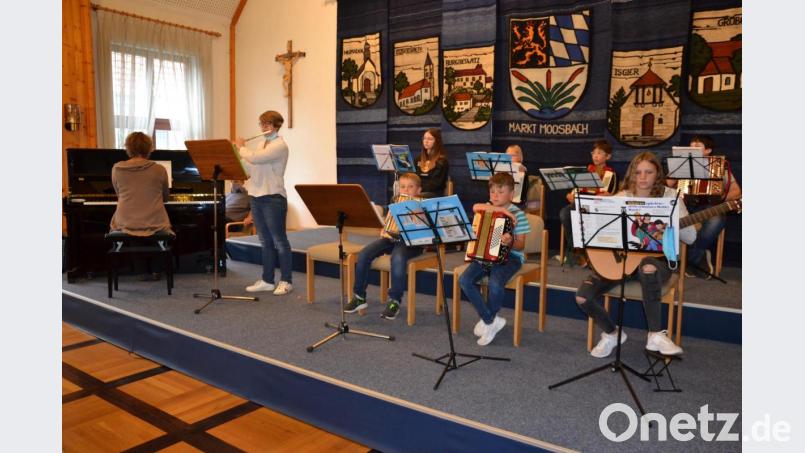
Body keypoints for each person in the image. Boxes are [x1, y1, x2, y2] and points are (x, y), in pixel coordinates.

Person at [575, 151, 696, 358]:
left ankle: (655, 335)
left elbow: (691, 237)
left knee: (647, 267)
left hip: (657, 261)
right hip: (622, 261)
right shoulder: (622, 197)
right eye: (638, 172)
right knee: (582, 298)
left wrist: (674, 217)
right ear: (631, 174)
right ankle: (612, 334)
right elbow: (599, 229)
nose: (642, 177)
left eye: (648, 172)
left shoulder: (671, 196)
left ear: (657, 174)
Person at [459, 172, 531, 346]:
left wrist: (510, 241)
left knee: (495, 282)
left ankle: (488, 320)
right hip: (485, 254)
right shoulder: (487, 208)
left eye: (501, 192)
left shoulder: (518, 214)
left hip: (511, 256)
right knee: (464, 280)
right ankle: (491, 320)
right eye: (492, 192)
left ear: (511, 194)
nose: (495, 196)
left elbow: (521, 245)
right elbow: (476, 207)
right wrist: (500, 210)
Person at [343, 173, 425, 320]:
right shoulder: (395, 200)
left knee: (398, 258)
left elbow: (423, 231)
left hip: (411, 243)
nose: (406, 190)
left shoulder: (421, 205)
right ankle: (359, 296)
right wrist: (384, 226)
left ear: (418, 190)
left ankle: (394, 300)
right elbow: (388, 223)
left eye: (410, 187)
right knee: (364, 253)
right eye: (403, 187)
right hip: (390, 239)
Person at [236, 111, 293, 295]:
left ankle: (286, 280)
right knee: (264, 241)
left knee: (279, 241)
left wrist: (241, 148)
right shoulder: (261, 144)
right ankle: (268, 280)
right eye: (262, 124)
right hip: (256, 196)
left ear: (276, 126)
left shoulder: (280, 146)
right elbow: (250, 166)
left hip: (273, 197)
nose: (263, 127)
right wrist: (235, 157)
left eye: (267, 124)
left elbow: (256, 158)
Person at [669, 135, 741, 279]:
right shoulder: (681, 163)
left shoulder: (719, 165)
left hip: (707, 207)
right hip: (684, 206)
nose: (692, 149)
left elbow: (737, 191)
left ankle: (691, 258)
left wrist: (719, 199)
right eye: (690, 147)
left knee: (716, 220)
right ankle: (698, 257)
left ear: (708, 150)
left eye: (697, 147)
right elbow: (668, 185)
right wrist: (678, 168)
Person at [558, 139, 617, 267]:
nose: (595, 156)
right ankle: (577, 250)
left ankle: (586, 252)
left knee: (576, 213)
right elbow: (577, 189)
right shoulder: (587, 170)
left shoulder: (609, 173)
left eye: (600, 153)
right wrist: (572, 195)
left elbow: (605, 194)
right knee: (564, 213)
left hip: (596, 207)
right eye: (593, 153)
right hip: (580, 205)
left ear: (608, 156)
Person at [110, 132, 173, 237]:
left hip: (125, 223)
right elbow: (165, 198)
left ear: (128, 148)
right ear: (149, 148)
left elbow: (119, 196)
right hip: (155, 223)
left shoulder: (116, 169)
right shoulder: (160, 169)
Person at [416, 128, 449, 198]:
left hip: (434, 193)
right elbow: (414, 176)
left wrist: (420, 190)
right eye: (424, 138)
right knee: (396, 198)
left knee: (416, 197)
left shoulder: (442, 161)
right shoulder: (418, 159)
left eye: (430, 139)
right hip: (418, 191)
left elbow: (436, 183)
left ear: (437, 141)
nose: (426, 141)